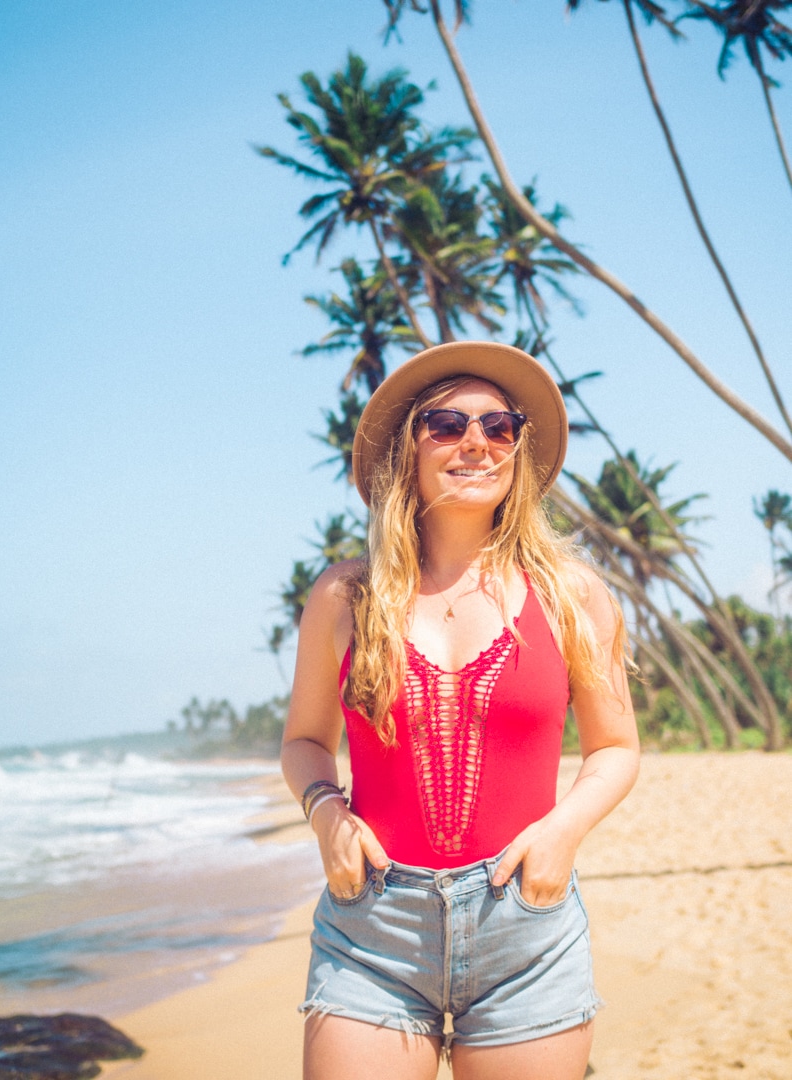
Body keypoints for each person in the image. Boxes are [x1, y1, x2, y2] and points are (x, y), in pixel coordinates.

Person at [281, 340, 639, 1080]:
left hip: (525, 924)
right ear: (406, 451)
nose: (476, 442)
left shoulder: (574, 597)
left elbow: (616, 749)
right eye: (445, 425)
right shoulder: (344, 598)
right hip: (371, 929)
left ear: (518, 449)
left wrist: (562, 834)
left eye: (499, 426)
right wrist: (325, 814)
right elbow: (304, 741)